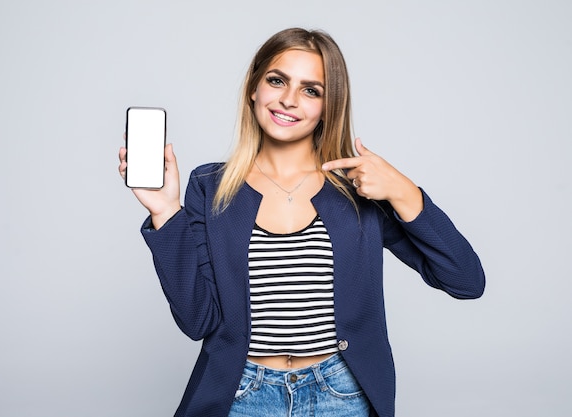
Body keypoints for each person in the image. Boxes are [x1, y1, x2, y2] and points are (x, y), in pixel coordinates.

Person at [118, 27, 485, 417]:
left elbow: (466, 281)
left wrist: (405, 193)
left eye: (311, 90)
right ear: (254, 89)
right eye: (277, 81)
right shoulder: (210, 188)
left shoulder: (358, 191)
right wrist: (165, 213)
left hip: (341, 396)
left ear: (329, 107)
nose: (289, 100)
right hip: (241, 396)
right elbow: (198, 320)